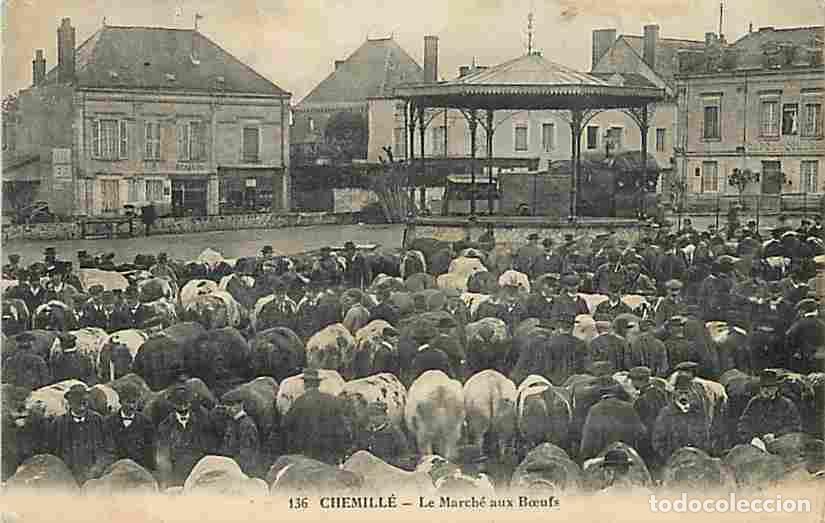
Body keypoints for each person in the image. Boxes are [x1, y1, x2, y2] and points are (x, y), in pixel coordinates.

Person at [281, 369, 352, 465]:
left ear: (305, 384)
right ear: (318, 384)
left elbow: (285, 424)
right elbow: (344, 428)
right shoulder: (332, 400)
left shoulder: (299, 402)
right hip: (329, 454)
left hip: (307, 455)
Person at [49, 384, 114, 484]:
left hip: (96, 479)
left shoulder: (98, 421)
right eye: (77, 400)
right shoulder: (59, 424)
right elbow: (52, 454)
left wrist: (97, 469)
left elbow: (110, 450)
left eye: (84, 400)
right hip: (67, 479)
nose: (81, 404)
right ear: (70, 402)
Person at [155, 385, 212, 488]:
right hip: (176, 476)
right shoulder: (165, 426)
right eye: (178, 405)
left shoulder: (201, 423)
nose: (182, 408)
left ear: (190, 403)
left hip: (198, 474)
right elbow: (163, 457)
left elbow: (207, 449)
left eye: (185, 404)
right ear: (172, 405)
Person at [652, 373, 711, 462]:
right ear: (675, 393)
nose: (683, 396)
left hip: (696, 463)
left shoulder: (698, 412)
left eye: (686, 392)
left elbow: (705, 437)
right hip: (674, 463)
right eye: (680, 392)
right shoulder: (666, 414)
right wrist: (669, 458)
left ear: (692, 393)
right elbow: (657, 441)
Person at [737, 369, 802, 445]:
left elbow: (795, 427)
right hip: (759, 444)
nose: (765, 390)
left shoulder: (787, 404)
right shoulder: (754, 403)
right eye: (762, 387)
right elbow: (743, 424)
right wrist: (752, 438)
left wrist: (776, 435)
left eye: (769, 387)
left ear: (776, 388)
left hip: (782, 443)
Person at [103, 384, 155, 471]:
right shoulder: (109, 422)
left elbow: (150, 452)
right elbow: (108, 451)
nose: (131, 406)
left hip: (139, 470)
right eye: (128, 402)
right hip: (116, 470)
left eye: (134, 402)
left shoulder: (146, 423)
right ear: (120, 402)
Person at [217, 391, 261, 478]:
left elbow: (247, 455)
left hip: (243, 472)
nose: (228, 408)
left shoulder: (246, 425)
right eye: (227, 405)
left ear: (241, 405)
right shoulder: (231, 422)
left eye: (232, 404)